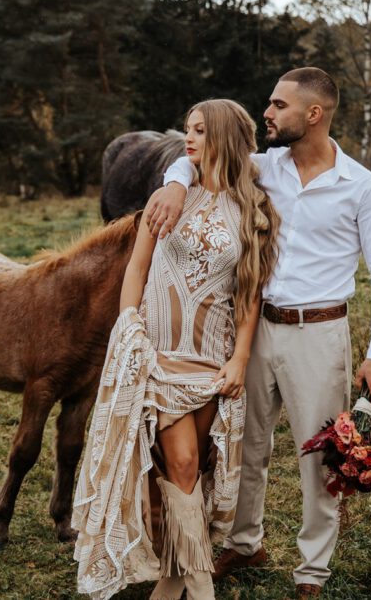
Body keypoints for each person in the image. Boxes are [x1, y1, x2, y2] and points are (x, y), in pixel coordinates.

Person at [145, 67, 371, 599]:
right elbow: (195, 155)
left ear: (314, 114)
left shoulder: (362, 187)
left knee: (319, 458)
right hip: (254, 329)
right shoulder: (263, 167)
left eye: (278, 105)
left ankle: (312, 571)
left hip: (321, 334)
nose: (267, 112)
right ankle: (244, 542)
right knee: (243, 442)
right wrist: (175, 184)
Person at [72, 99, 280, 600]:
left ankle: (169, 586)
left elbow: (249, 294)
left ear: (226, 138)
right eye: (188, 129)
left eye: (201, 131)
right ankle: (202, 588)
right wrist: (130, 329)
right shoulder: (169, 198)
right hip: (158, 351)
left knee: (193, 473)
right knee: (182, 462)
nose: (188, 139)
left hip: (212, 354)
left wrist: (239, 359)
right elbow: (137, 269)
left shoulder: (253, 209)